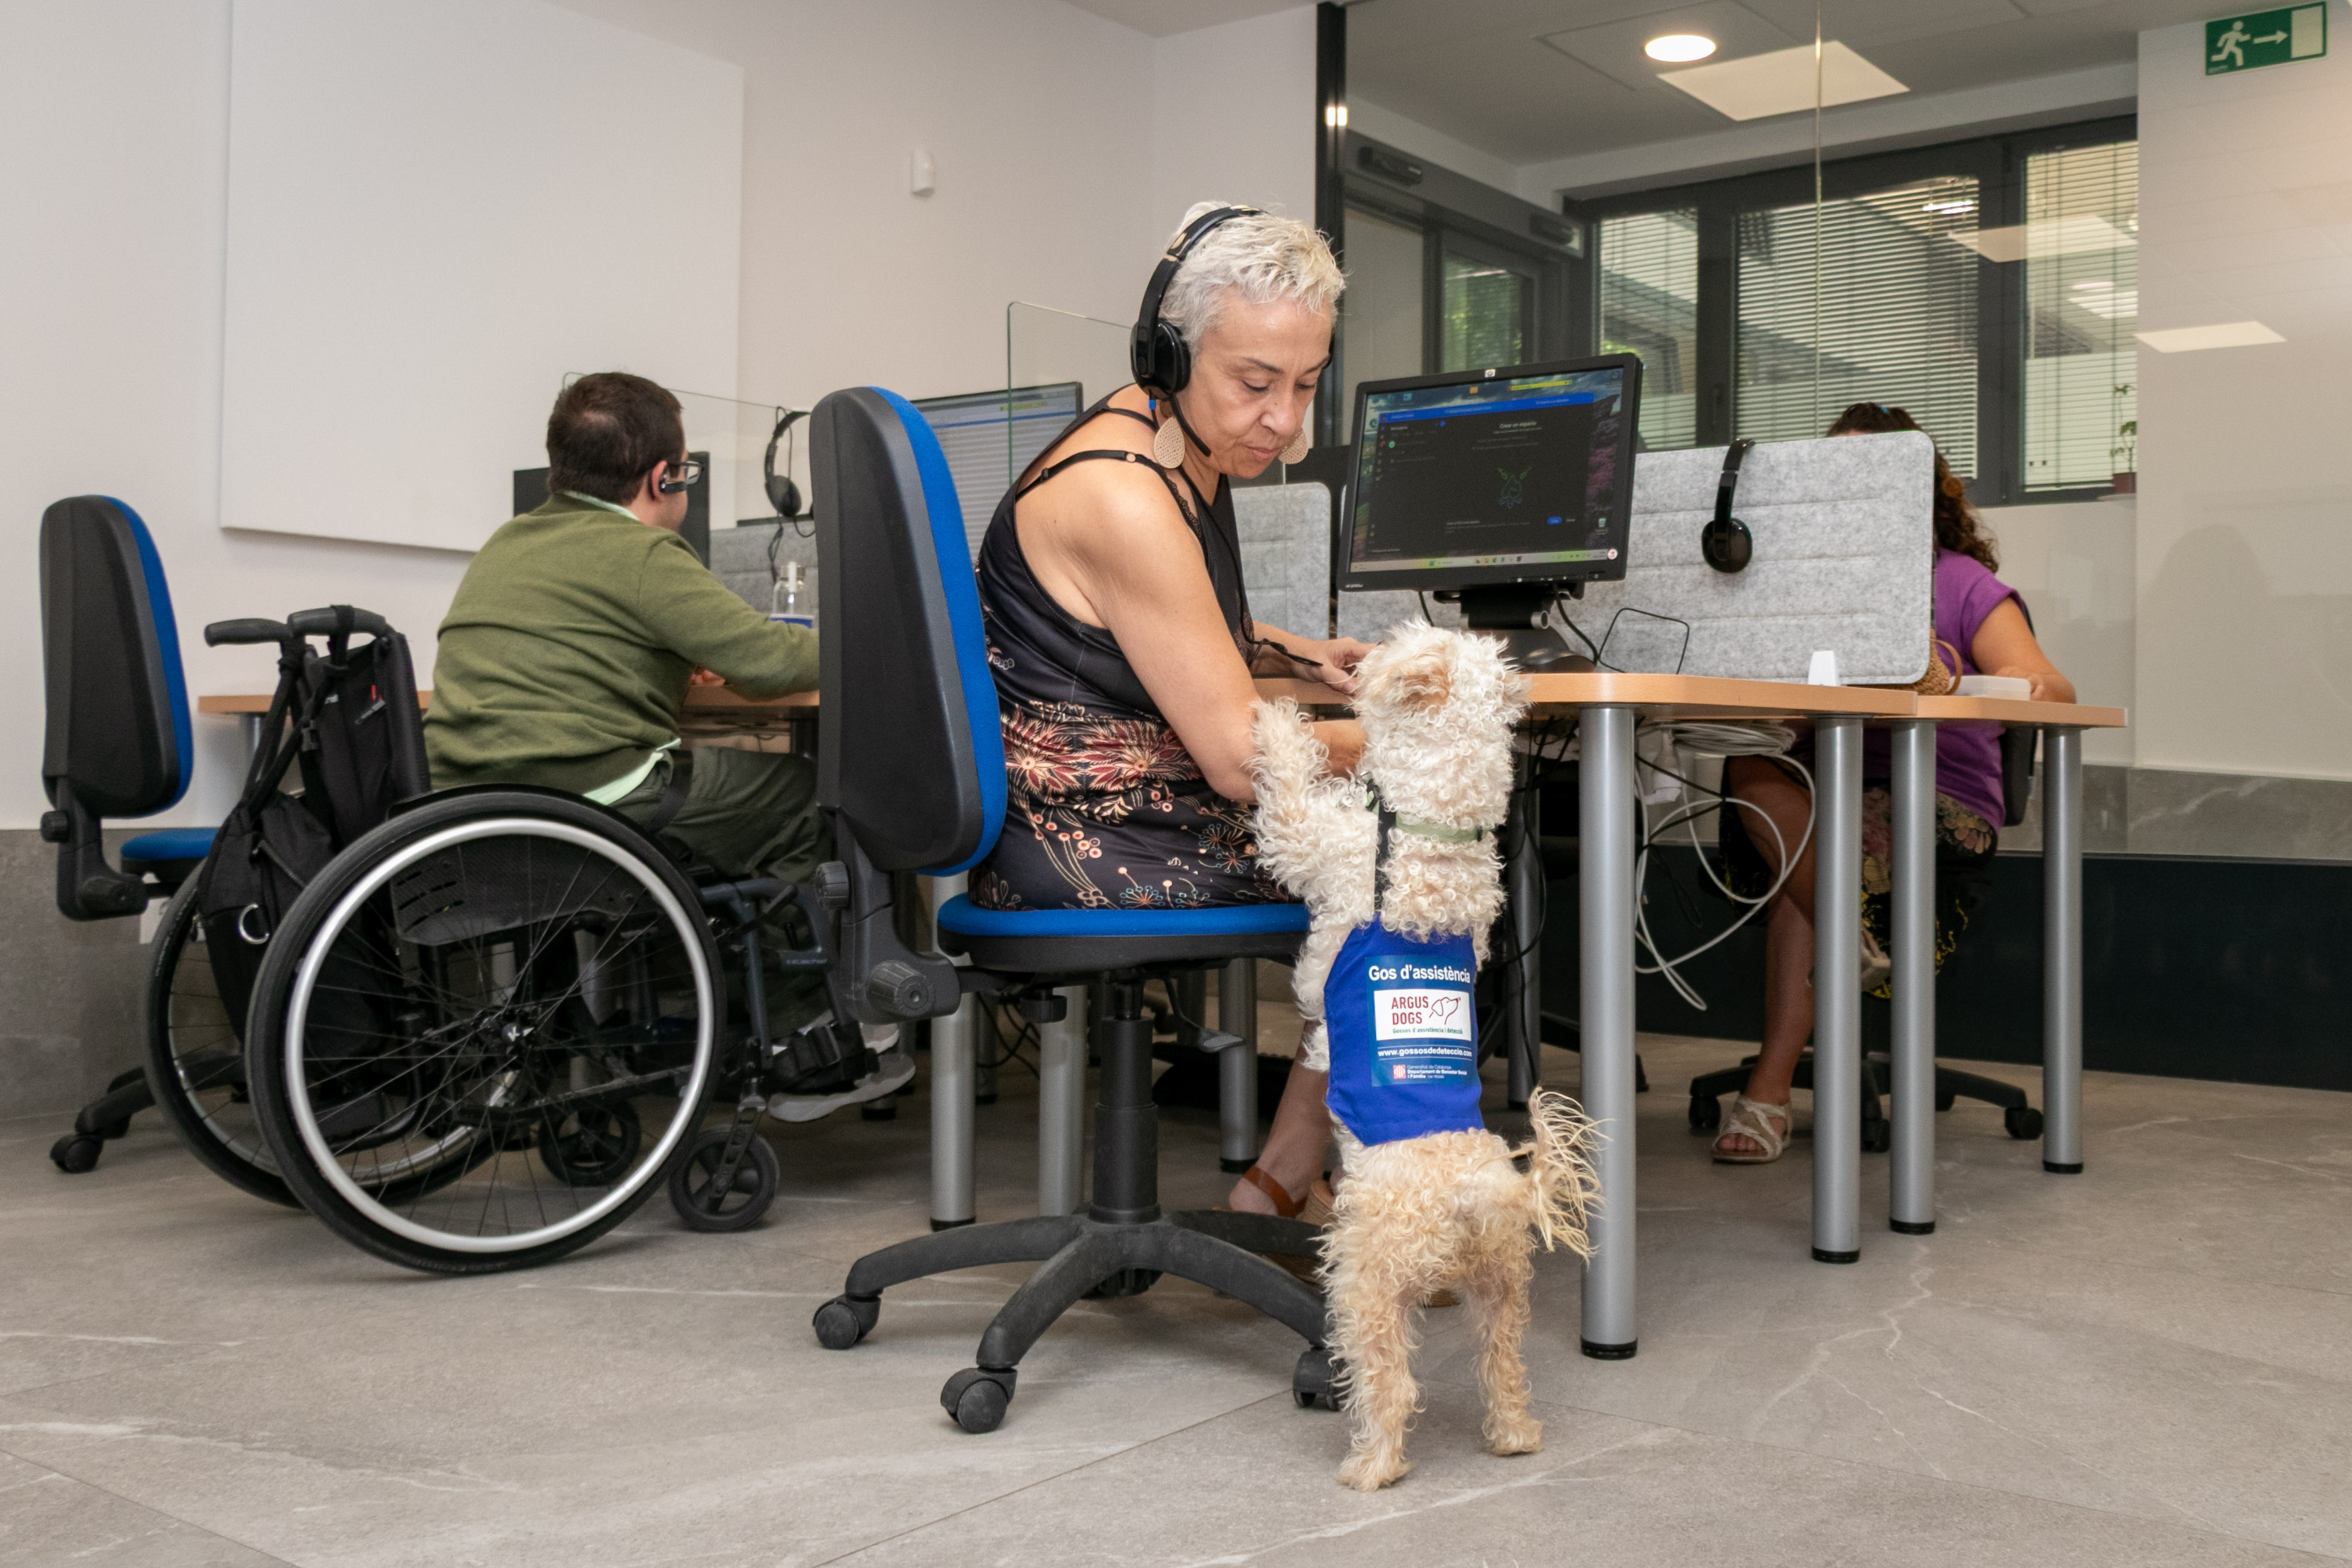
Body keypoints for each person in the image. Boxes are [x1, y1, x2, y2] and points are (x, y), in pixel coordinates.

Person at [968, 203, 1369, 1219]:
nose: (1287, 422)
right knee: (1412, 848)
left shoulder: (1159, 435)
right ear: (1167, 351)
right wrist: (1418, 737)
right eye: (1254, 383)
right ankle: (1288, 1176)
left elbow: (1154, 617)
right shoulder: (1127, 494)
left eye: (1307, 383)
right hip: (1084, 840)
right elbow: (1242, 759)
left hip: (1088, 812)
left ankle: (1293, 1170)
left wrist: (1295, 652)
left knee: (1382, 825)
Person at [426, 372, 905, 1111]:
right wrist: (886, 643)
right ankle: (807, 1031)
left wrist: (676, 656)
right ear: (663, 476)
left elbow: (581, 650)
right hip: (596, 797)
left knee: (721, 796)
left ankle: (699, 1000)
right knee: (802, 795)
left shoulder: (506, 544)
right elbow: (768, 661)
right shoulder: (643, 552)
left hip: (471, 806)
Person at [1710, 401, 2076, 1162]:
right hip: (1818, 789)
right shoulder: (1803, 586)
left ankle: (1769, 1089)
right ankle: (1851, 936)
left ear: (1915, 487)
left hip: (1933, 795)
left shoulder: (1960, 581)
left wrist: (1964, 682)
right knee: (1754, 770)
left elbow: (2048, 685)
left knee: (1814, 850)